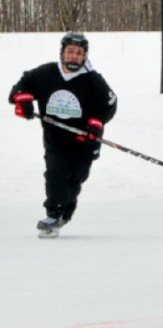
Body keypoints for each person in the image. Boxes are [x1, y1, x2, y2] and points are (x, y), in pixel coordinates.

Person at [9, 32, 118, 238]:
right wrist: (23, 100)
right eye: (70, 51)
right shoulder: (46, 73)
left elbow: (109, 104)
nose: (74, 56)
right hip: (56, 140)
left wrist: (95, 124)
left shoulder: (93, 80)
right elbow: (21, 85)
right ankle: (55, 213)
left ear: (84, 55)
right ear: (62, 53)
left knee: (74, 180)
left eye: (79, 53)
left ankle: (65, 210)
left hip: (83, 141)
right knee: (55, 175)